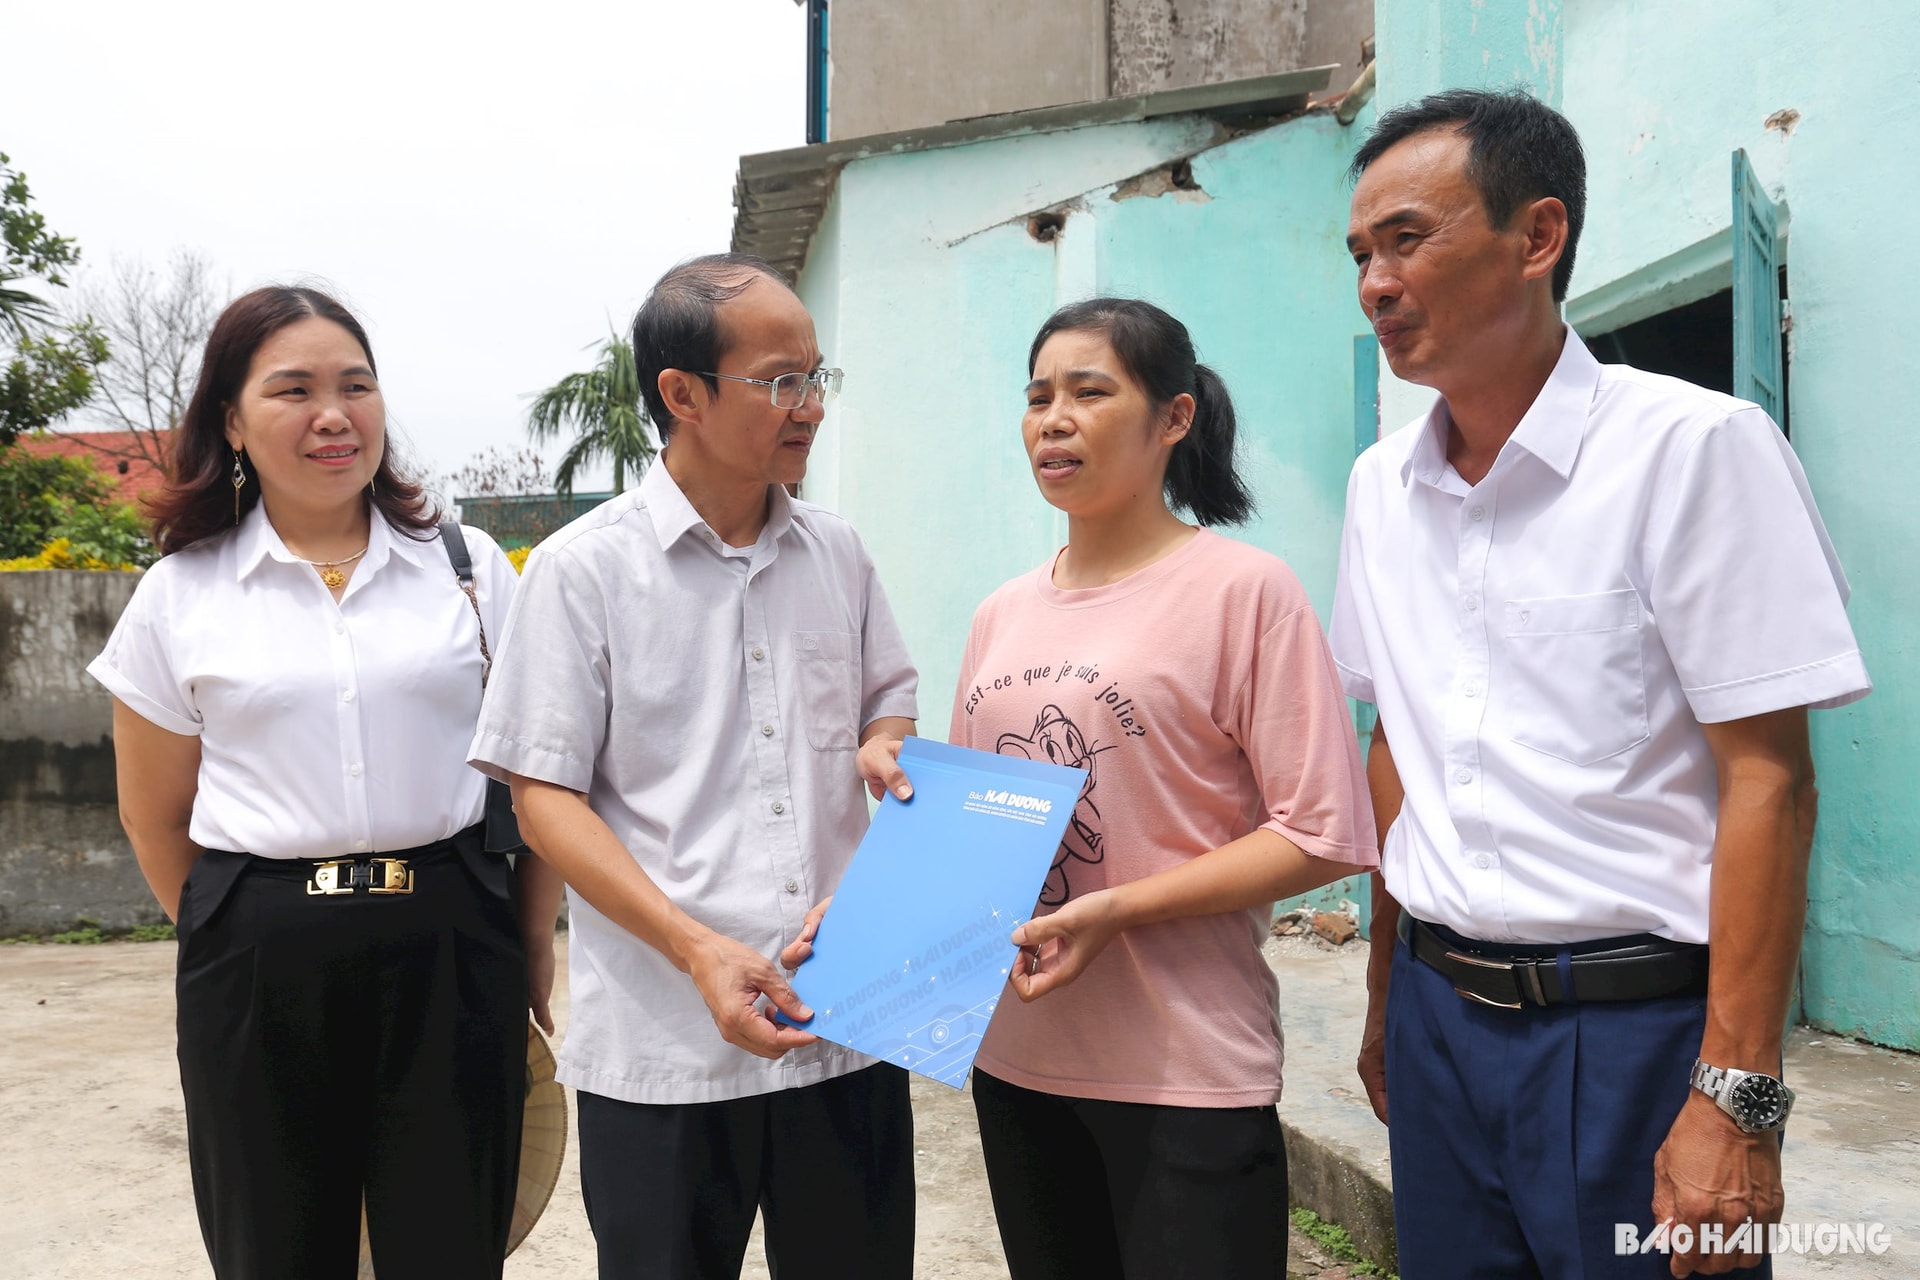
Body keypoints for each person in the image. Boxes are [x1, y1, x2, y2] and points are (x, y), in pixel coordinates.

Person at [1333, 89, 1871, 1279]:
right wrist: (1382, 998)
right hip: (1437, 1020)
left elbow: (1770, 778)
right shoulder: (1382, 489)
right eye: (1363, 252)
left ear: (1538, 237)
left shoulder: (1694, 450)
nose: (1376, 280)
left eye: (1410, 238)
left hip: (1637, 1036)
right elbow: (1396, 751)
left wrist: (1738, 1095)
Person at [468, 253, 920, 1280]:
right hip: (663, 1053)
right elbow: (543, 799)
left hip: (840, 1023)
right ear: (683, 394)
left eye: (816, 377)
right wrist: (696, 947)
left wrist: (884, 740)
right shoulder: (585, 572)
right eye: (780, 381)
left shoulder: (838, 554)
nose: (809, 405)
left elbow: (886, 695)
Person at [88, 286, 542, 1279]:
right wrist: (236, 935)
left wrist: (526, 951)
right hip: (258, 957)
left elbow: (535, 782)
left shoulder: (465, 571)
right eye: (293, 389)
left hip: (451, 941)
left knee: (451, 1246)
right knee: (275, 1251)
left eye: (356, 385)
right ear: (232, 422)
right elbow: (155, 813)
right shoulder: (183, 593)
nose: (333, 414)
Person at [929, 297, 1378, 1279]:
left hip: (1185, 1071)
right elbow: (972, 837)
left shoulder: (1242, 591)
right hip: (1017, 1062)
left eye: (1090, 391)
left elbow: (1324, 831)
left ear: (1173, 417)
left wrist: (1117, 907)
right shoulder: (1001, 611)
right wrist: (873, 909)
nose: (1054, 417)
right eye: (1038, 395)